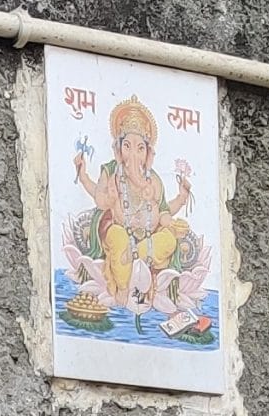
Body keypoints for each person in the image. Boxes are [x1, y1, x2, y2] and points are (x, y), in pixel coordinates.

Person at [65, 94, 215, 341]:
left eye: (140, 147)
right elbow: (99, 199)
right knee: (119, 236)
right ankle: (122, 288)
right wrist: (86, 178)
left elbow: (164, 212)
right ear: (118, 148)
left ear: (148, 153)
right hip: (118, 230)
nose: (133, 153)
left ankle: (141, 267)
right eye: (127, 146)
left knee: (168, 238)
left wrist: (180, 202)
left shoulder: (153, 179)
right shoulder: (111, 171)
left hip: (147, 238)